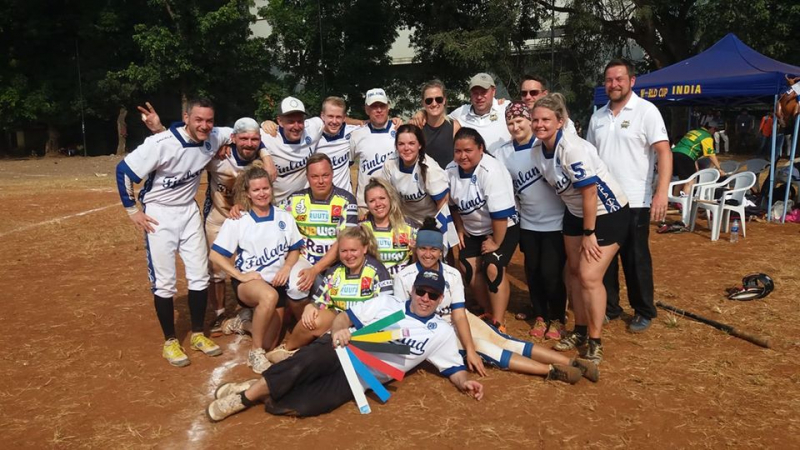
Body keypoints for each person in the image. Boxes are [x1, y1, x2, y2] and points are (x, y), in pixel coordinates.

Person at [205, 270, 483, 421]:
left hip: (360, 379)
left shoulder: (441, 333)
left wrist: (465, 382)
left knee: (303, 406)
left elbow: (453, 369)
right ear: (412, 290)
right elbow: (344, 317)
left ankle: (257, 388)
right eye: (421, 291)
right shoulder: (387, 304)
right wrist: (338, 331)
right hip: (341, 350)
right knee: (300, 366)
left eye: (432, 295)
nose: (425, 298)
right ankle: (243, 398)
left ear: (440, 299)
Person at [394, 220, 597, 382]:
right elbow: (404, 320)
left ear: (441, 251)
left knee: (504, 341)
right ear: (416, 249)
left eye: (433, 249)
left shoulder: (452, 274)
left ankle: (572, 362)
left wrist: (469, 348)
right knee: (486, 348)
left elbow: (459, 314)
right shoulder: (404, 277)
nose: (428, 254)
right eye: (423, 248)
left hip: (457, 319)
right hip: (434, 333)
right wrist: (471, 349)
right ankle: (551, 371)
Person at [115, 98, 230, 367]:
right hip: (159, 215)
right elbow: (124, 171)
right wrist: (132, 211)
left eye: (209, 121)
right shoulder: (160, 143)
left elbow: (240, 133)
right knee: (165, 281)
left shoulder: (214, 136)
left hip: (188, 212)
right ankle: (170, 341)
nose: (205, 126)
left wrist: (238, 140)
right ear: (186, 117)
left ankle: (198, 334)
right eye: (198, 119)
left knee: (200, 275)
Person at [532, 94, 631, 364]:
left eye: (546, 120)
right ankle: (580, 330)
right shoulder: (537, 151)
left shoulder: (572, 149)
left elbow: (590, 192)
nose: (540, 125)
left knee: (589, 277)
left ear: (559, 122)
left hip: (607, 212)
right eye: (536, 120)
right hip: (576, 213)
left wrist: (589, 233)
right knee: (573, 273)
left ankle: (595, 341)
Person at [586, 58, 671, 334]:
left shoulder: (646, 111)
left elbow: (664, 152)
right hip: (604, 201)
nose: (614, 84)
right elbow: (589, 156)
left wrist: (661, 192)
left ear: (632, 81)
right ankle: (610, 307)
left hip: (635, 200)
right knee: (604, 259)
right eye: (609, 80)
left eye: (619, 79)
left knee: (636, 258)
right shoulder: (598, 117)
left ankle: (643, 310)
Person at [209, 164, 304, 373]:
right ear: (248, 194)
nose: (262, 193)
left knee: (270, 342)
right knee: (268, 297)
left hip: (277, 284)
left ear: (271, 188)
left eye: (265, 188)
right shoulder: (239, 220)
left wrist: (287, 267)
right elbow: (215, 255)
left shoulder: (284, 217)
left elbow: (295, 249)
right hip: (250, 284)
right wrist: (239, 275)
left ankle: (243, 323)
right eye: (256, 190)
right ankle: (255, 353)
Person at [263, 225, 393, 363]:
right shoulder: (335, 271)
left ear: (364, 249)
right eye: (344, 251)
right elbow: (320, 301)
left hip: (365, 323)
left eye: (353, 250)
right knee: (311, 319)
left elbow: (385, 306)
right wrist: (310, 307)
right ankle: (288, 349)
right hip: (338, 320)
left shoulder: (377, 270)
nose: (349, 255)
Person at [494, 101, 568, 339]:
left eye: (520, 121)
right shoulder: (503, 153)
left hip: (556, 220)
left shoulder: (544, 144)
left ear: (529, 121)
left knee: (551, 272)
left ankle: (557, 318)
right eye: (510, 122)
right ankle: (540, 314)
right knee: (533, 271)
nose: (515, 127)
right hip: (528, 221)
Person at [447, 127, 519, 333]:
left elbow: (500, 214)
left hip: (503, 226)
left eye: (468, 150)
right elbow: (452, 205)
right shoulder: (450, 170)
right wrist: (460, 228)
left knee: (492, 266)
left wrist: (495, 242)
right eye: (458, 151)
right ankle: (488, 312)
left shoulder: (491, 170)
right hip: (473, 228)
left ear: (480, 149)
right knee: (467, 267)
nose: (462, 156)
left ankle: (499, 322)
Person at [381, 124, 450, 224]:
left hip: (429, 223)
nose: (406, 148)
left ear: (420, 145)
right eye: (401, 144)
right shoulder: (390, 162)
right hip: (403, 222)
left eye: (411, 143)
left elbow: (443, 205)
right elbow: (384, 194)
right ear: (396, 146)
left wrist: (437, 230)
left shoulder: (430, 168)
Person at [261, 97, 323, 204]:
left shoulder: (312, 128)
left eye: (300, 121)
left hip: (304, 203)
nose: (296, 126)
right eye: (291, 121)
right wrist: (265, 156)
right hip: (277, 205)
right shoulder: (268, 136)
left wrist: (357, 122)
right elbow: (241, 136)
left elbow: (335, 117)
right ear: (280, 121)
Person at [350, 88, 398, 214]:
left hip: (395, 203)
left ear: (388, 107)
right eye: (374, 106)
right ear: (367, 109)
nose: (379, 110)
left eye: (382, 106)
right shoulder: (357, 134)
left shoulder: (399, 130)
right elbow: (346, 165)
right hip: (365, 206)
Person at [360, 178, 418, 275]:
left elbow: (418, 262)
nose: (378, 204)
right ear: (367, 204)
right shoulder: (361, 228)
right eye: (372, 201)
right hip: (373, 282)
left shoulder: (408, 226)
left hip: (401, 281)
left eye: (382, 198)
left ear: (390, 198)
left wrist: (415, 251)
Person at [447, 73, 512, 154]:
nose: (479, 97)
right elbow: (439, 122)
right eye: (475, 93)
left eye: (483, 92)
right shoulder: (462, 112)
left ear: (493, 91)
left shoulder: (506, 108)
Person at [672, 123, 725, 197]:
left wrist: (695, 166)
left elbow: (691, 148)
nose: (714, 132)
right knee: (690, 182)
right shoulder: (706, 136)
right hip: (685, 156)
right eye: (715, 130)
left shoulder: (693, 131)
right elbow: (711, 155)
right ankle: (684, 201)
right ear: (712, 128)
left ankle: (674, 200)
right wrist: (719, 169)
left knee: (682, 180)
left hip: (673, 154)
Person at [418, 80, 462, 169]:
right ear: (423, 103)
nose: (434, 104)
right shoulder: (417, 127)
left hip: (448, 177)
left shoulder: (454, 127)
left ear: (444, 100)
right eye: (429, 100)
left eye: (438, 99)